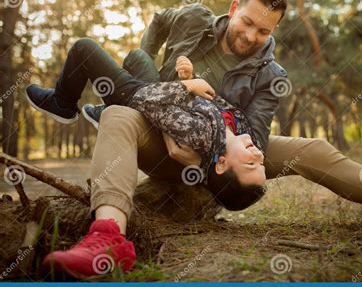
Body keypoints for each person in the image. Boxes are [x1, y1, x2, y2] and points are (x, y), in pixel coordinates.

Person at [39, 0, 362, 279]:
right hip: (156, 133)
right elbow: (156, 23)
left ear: (274, 30)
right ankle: (109, 237)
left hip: (224, 149)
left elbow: (257, 142)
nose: (250, 35)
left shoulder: (269, 74)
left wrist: (211, 153)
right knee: (118, 115)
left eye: (263, 31)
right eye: (246, 22)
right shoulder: (192, 20)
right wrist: (146, 67)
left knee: (314, 148)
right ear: (233, 10)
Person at [26, 46, 267, 211]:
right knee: (137, 56)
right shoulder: (237, 130)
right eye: (261, 163)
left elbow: (147, 100)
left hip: (140, 98)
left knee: (83, 48)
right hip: (160, 95)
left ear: (222, 164)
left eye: (251, 163)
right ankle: (104, 110)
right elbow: (207, 105)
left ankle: (63, 104)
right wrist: (190, 76)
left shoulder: (199, 136)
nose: (259, 154)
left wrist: (187, 85)